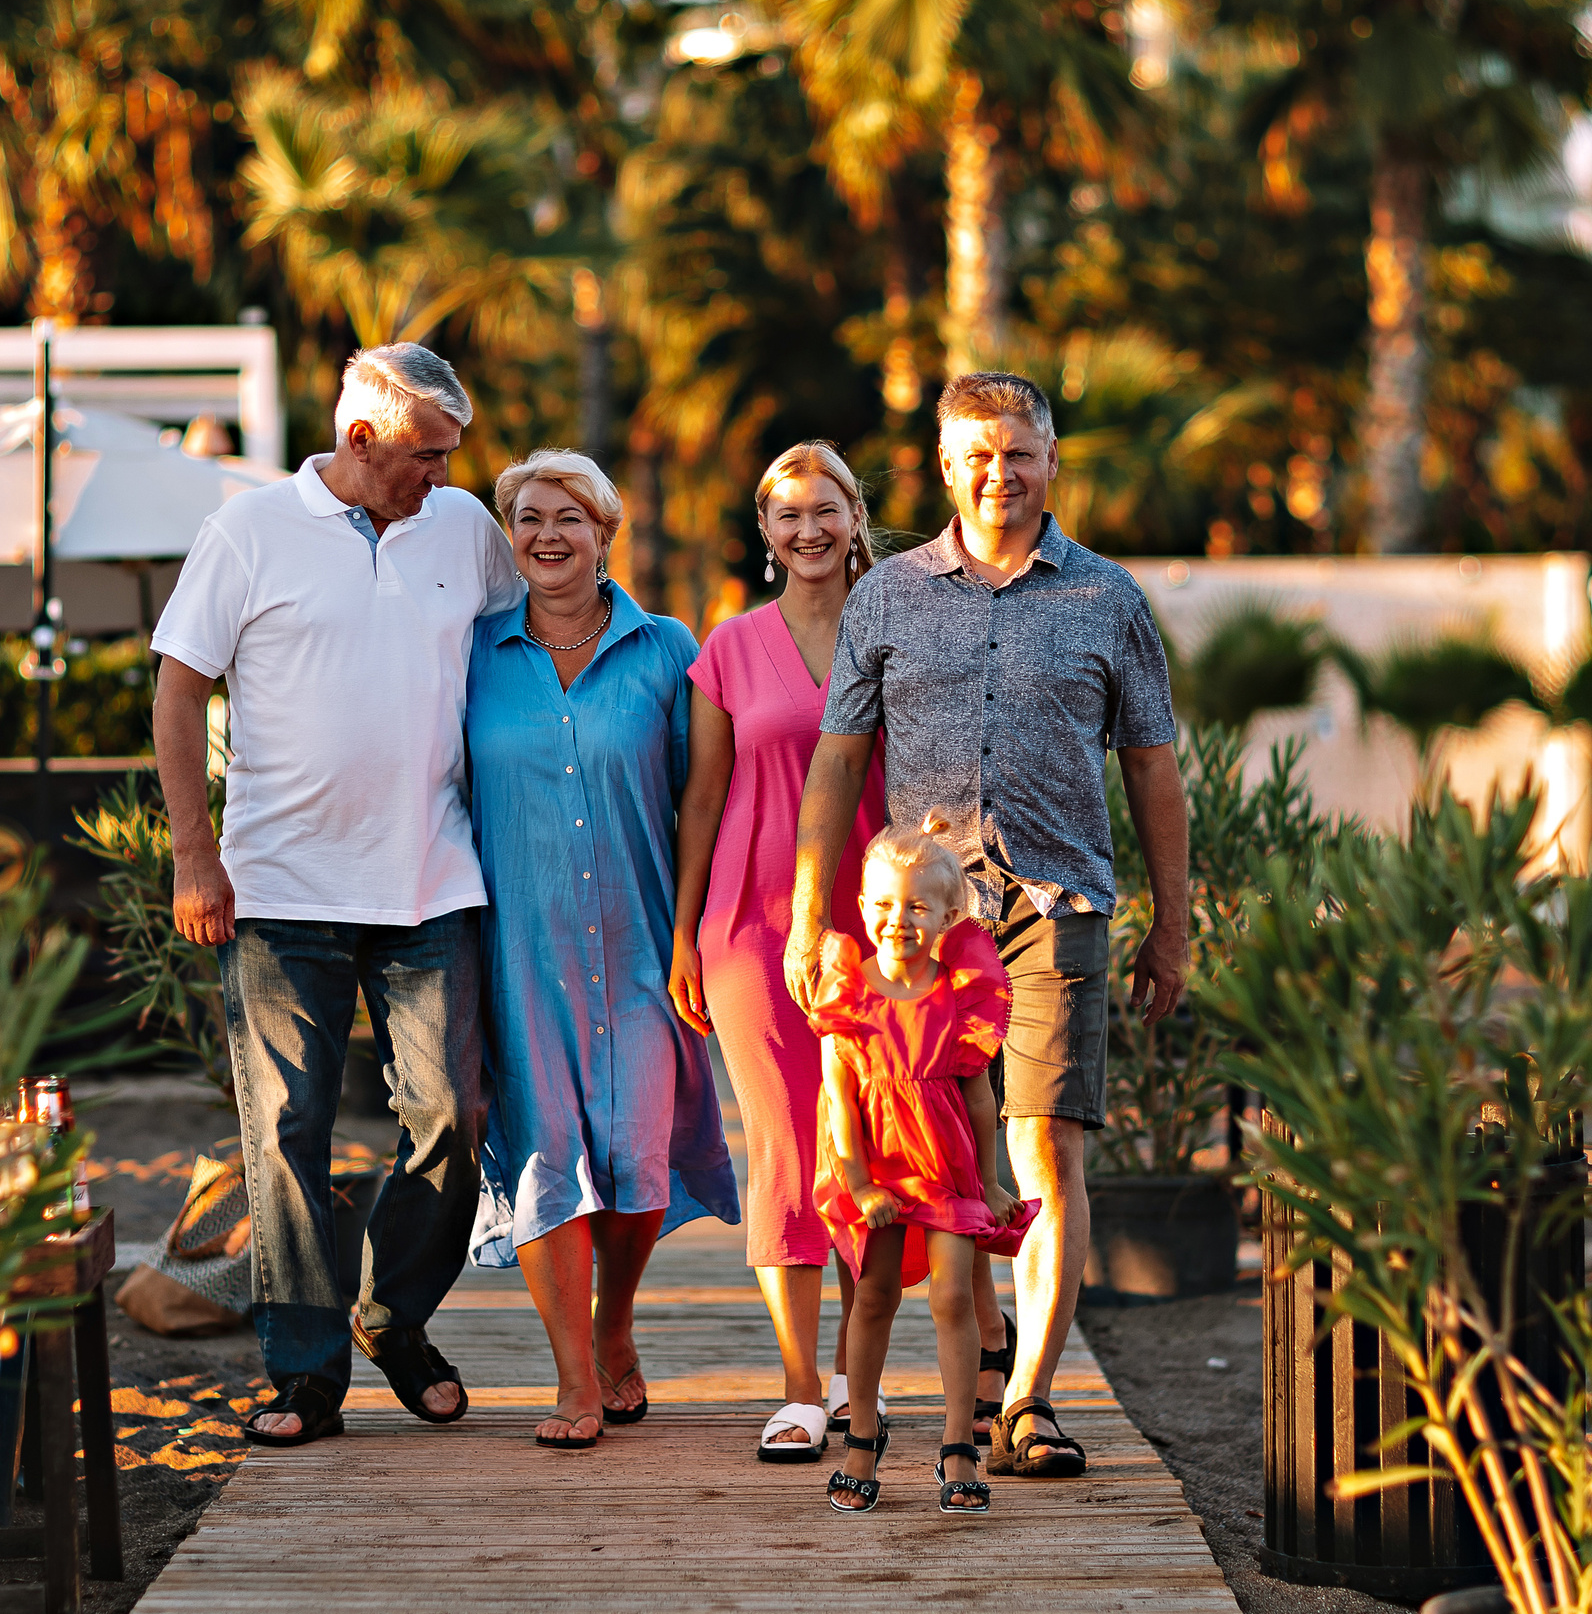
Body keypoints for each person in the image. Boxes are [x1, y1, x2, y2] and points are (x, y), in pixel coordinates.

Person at [784, 370, 1189, 1481]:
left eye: (1018, 453)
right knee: (908, 1163)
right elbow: (838, 759)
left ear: (1051, 462)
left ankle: (1029, 1404)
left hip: (1057, 910)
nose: (997, 475)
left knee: (1045, 1152)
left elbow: (1152, 767)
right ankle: (902, 1394)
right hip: (920, 927)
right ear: (945, 466)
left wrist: (1173, 922)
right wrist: (815, 917)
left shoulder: (1107, 600)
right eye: (975, 455)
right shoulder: (889, 596)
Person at [150, 342, 520, 1448]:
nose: (445, 479)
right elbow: (176, 691)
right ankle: (305, 1376)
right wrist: (191, 855)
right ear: (360, 442)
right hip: (278, 886)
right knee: (288, 1130)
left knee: (456, 1116)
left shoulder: (464, 532)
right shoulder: (249, 532)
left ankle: (392, 1317)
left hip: (431, 876)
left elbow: (534, 629)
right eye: (427, 456)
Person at [465, 448, 740, 1449]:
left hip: (641, 939)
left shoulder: (669, 651)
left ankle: (614, 1323)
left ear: (605, 533)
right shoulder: (470, 657)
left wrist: (698, 936)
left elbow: (704, 803)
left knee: (637, 1152)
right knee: (546, 1154)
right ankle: (574, 1378)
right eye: (529, 517)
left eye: (570, 519)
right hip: (518, 946)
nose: (547, 536)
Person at [670, 442, 899, 1464]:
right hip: (749, 931)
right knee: (785, 1150)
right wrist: (684, 930)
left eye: (825, 510)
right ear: (765, 534)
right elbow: (704, 798)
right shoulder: (726, 647)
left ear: (855, 519)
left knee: (873, 1147)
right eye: (786, 515)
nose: (807, 530)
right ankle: (802, 1390)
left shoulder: (898, 629)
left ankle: (861, 1378)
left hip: (880, 927)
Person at [802, 814, 1032, 1515]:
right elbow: (840, 1095)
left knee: (953, 1297)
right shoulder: (848, 991)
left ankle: (960, 1439)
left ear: (946, 914)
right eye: (882, 903)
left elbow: (976, 1087)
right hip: (879, 1168)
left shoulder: (959, 991)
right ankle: (863, 1434)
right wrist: (860, 1178)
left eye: (915, 906)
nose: (896, 919)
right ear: (863, 906)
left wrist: (990, 1181)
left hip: (947, 1165)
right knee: (872, 1298)